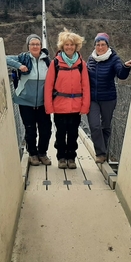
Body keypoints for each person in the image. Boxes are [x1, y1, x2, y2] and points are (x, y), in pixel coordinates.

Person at [44, 29, 90, 170]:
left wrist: (85, 106)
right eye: (66, 45)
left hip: (76, 106)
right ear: (62, 47)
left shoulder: (82, 64)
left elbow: (86, 87)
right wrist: (49, 106)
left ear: (76, 46)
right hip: (60, 106)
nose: (69, 47)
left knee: (73, 133)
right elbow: (49, 86)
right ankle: (61, 157)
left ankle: (71, 157)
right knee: (60, 133)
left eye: (72, 45)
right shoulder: (55, 64)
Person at [86, 32, 131, 164]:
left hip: (108, 98)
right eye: (97, 44)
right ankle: (100, 153)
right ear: (95, 46)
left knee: (105, 126)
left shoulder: (114, 59)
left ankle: (104, 151)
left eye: (103, 45)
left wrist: (125, 67)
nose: (100, 47)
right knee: (94, 125)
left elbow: (121, 75)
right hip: (93, 99)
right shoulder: (91, 59)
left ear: (107, 46)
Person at [6, 34, 52, 166]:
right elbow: (4, 58)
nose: (35, 46)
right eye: (32, 44)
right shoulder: (23, 58)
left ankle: (42, 153)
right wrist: (19, 66)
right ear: (28, 46)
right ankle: (33, 154)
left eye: (37, 44)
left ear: (41, 46)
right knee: (30, 129)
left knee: (46, 129)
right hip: (25, 101)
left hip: (43, 102)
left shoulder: (47, 61)